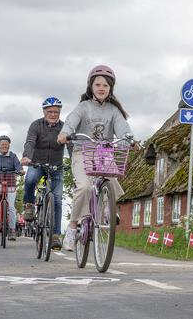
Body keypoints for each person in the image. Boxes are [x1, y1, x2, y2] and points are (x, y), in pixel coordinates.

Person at [57, 65, 137, 251]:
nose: (102, 88)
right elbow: (70, 122)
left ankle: (107, 207)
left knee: (111, 177)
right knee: (84, 187)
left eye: (106, 85)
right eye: (98, 84)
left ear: (111, 88)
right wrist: (65, 133)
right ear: (91, 86)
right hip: (81, 151)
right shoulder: (83, 107)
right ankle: (72, 227)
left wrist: (130, 140)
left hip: (103, 152)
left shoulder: (113, 110)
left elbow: (123, 129)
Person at [21, 97, 68, 250]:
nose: (53, 114)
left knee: (58, 200)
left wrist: (76, 162)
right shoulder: (36, 125)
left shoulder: (65, 127)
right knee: (30, 180)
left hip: (56, 167)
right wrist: (27, 156)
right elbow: (30, 142)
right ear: (44, 112)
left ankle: (55, 235)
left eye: (56, 112)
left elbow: (72, 146)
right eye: (50, 111)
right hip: (37, 163)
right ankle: (29, 204)